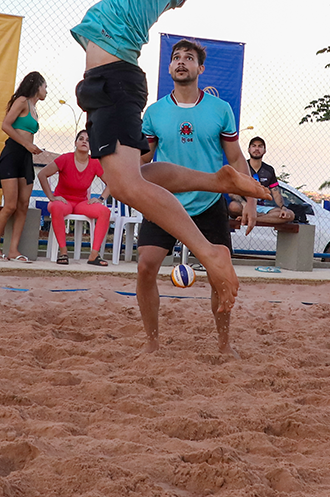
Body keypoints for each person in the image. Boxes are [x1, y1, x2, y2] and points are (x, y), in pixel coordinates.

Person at [29, 0, 269, 315]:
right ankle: (219, 178)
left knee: (124, 186)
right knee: (136, 173)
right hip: (110, 80)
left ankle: (208, 255)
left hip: (115, 77)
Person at [135, 39, 245, 355]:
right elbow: (144, 160)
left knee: (219, 275)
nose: (181, 62)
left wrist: (249, 200)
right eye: (176, 57)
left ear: (200, 68)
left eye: (188, 58)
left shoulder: (220, 109)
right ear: (169, 68)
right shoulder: (154, 112)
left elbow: (236, 159)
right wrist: (118, 168)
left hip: (209, 202)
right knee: (146, 266)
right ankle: (152, 342)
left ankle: (224, 345)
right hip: (166, 201)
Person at [0, 71, 47, 262]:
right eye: (44, 86)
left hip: (26, 157)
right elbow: (6, 125)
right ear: (37, 86)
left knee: (23, 204)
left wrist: (31, 148)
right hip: (13, 153)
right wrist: (26, 144)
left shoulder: (34, 107)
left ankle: (14, 249)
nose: (46, 91)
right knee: (11, 205)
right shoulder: (22, 101)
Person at [39, 129, 112, 266]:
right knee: (55, 206)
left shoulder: (95, 162)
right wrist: (51, 197)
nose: (85, 141)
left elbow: (111, 183)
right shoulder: (65, 158)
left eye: (88, 140)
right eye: (81, 138)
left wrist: (101, 199)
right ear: (75, 143)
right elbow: (42, 174)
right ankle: (63, 252)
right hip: (63, 201)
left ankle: (94, 255)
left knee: (104, 211)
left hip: (81, 203)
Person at [235, 135, 294, 232]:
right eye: (254, 146)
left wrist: (283, 207)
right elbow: (232, 192)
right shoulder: (242, 167)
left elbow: (276, 193)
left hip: (262, 208)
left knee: (290, 215)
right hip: (245, 206)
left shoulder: (269, 170)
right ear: (249, 150)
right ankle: (256, 216)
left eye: (260, 146)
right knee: (233, 207)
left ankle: (255, 218)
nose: (256, 149)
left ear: (264, 150)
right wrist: (245, 204)